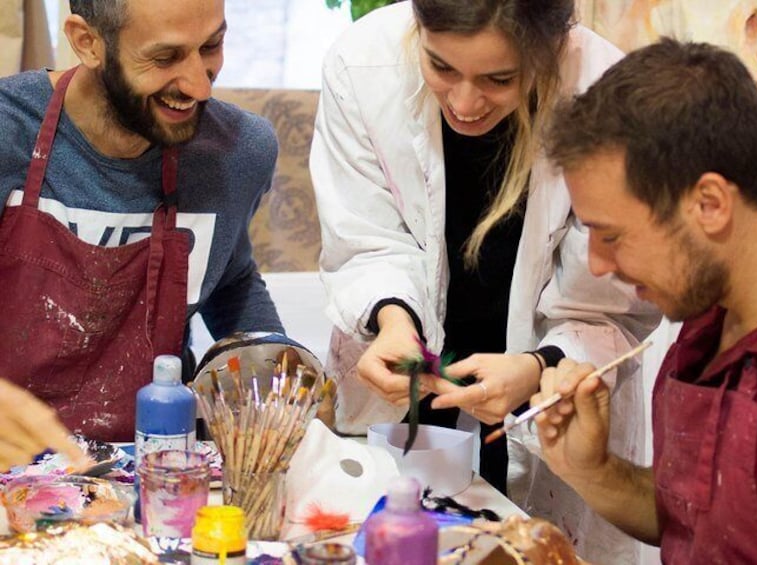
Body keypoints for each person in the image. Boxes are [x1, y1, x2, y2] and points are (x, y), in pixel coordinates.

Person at [310, 1, 658, 561]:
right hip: (409, 393)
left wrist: (538, 367)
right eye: (441, 67)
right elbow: (366, 236)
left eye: (500, 79)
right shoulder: (363, 64)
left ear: (551, 48)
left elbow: (609, 302)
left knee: (532, 547)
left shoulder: (608, 98)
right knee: (392, 538)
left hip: (544, 394)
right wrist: (394, 323)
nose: (465, 104)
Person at [537, 37, 757, 563]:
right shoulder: (711, 310)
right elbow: (700, 522)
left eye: (611, 235)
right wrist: (592, 470)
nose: (597, 264)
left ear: (709, 204)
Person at [0, 0, 285, 443]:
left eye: (211, 45)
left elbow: (228, 278)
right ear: (87, 42)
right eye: (164, 58)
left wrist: (276, 377)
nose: (199, 87)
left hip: (156, 461)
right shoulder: (7, 130)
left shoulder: (239, 153)